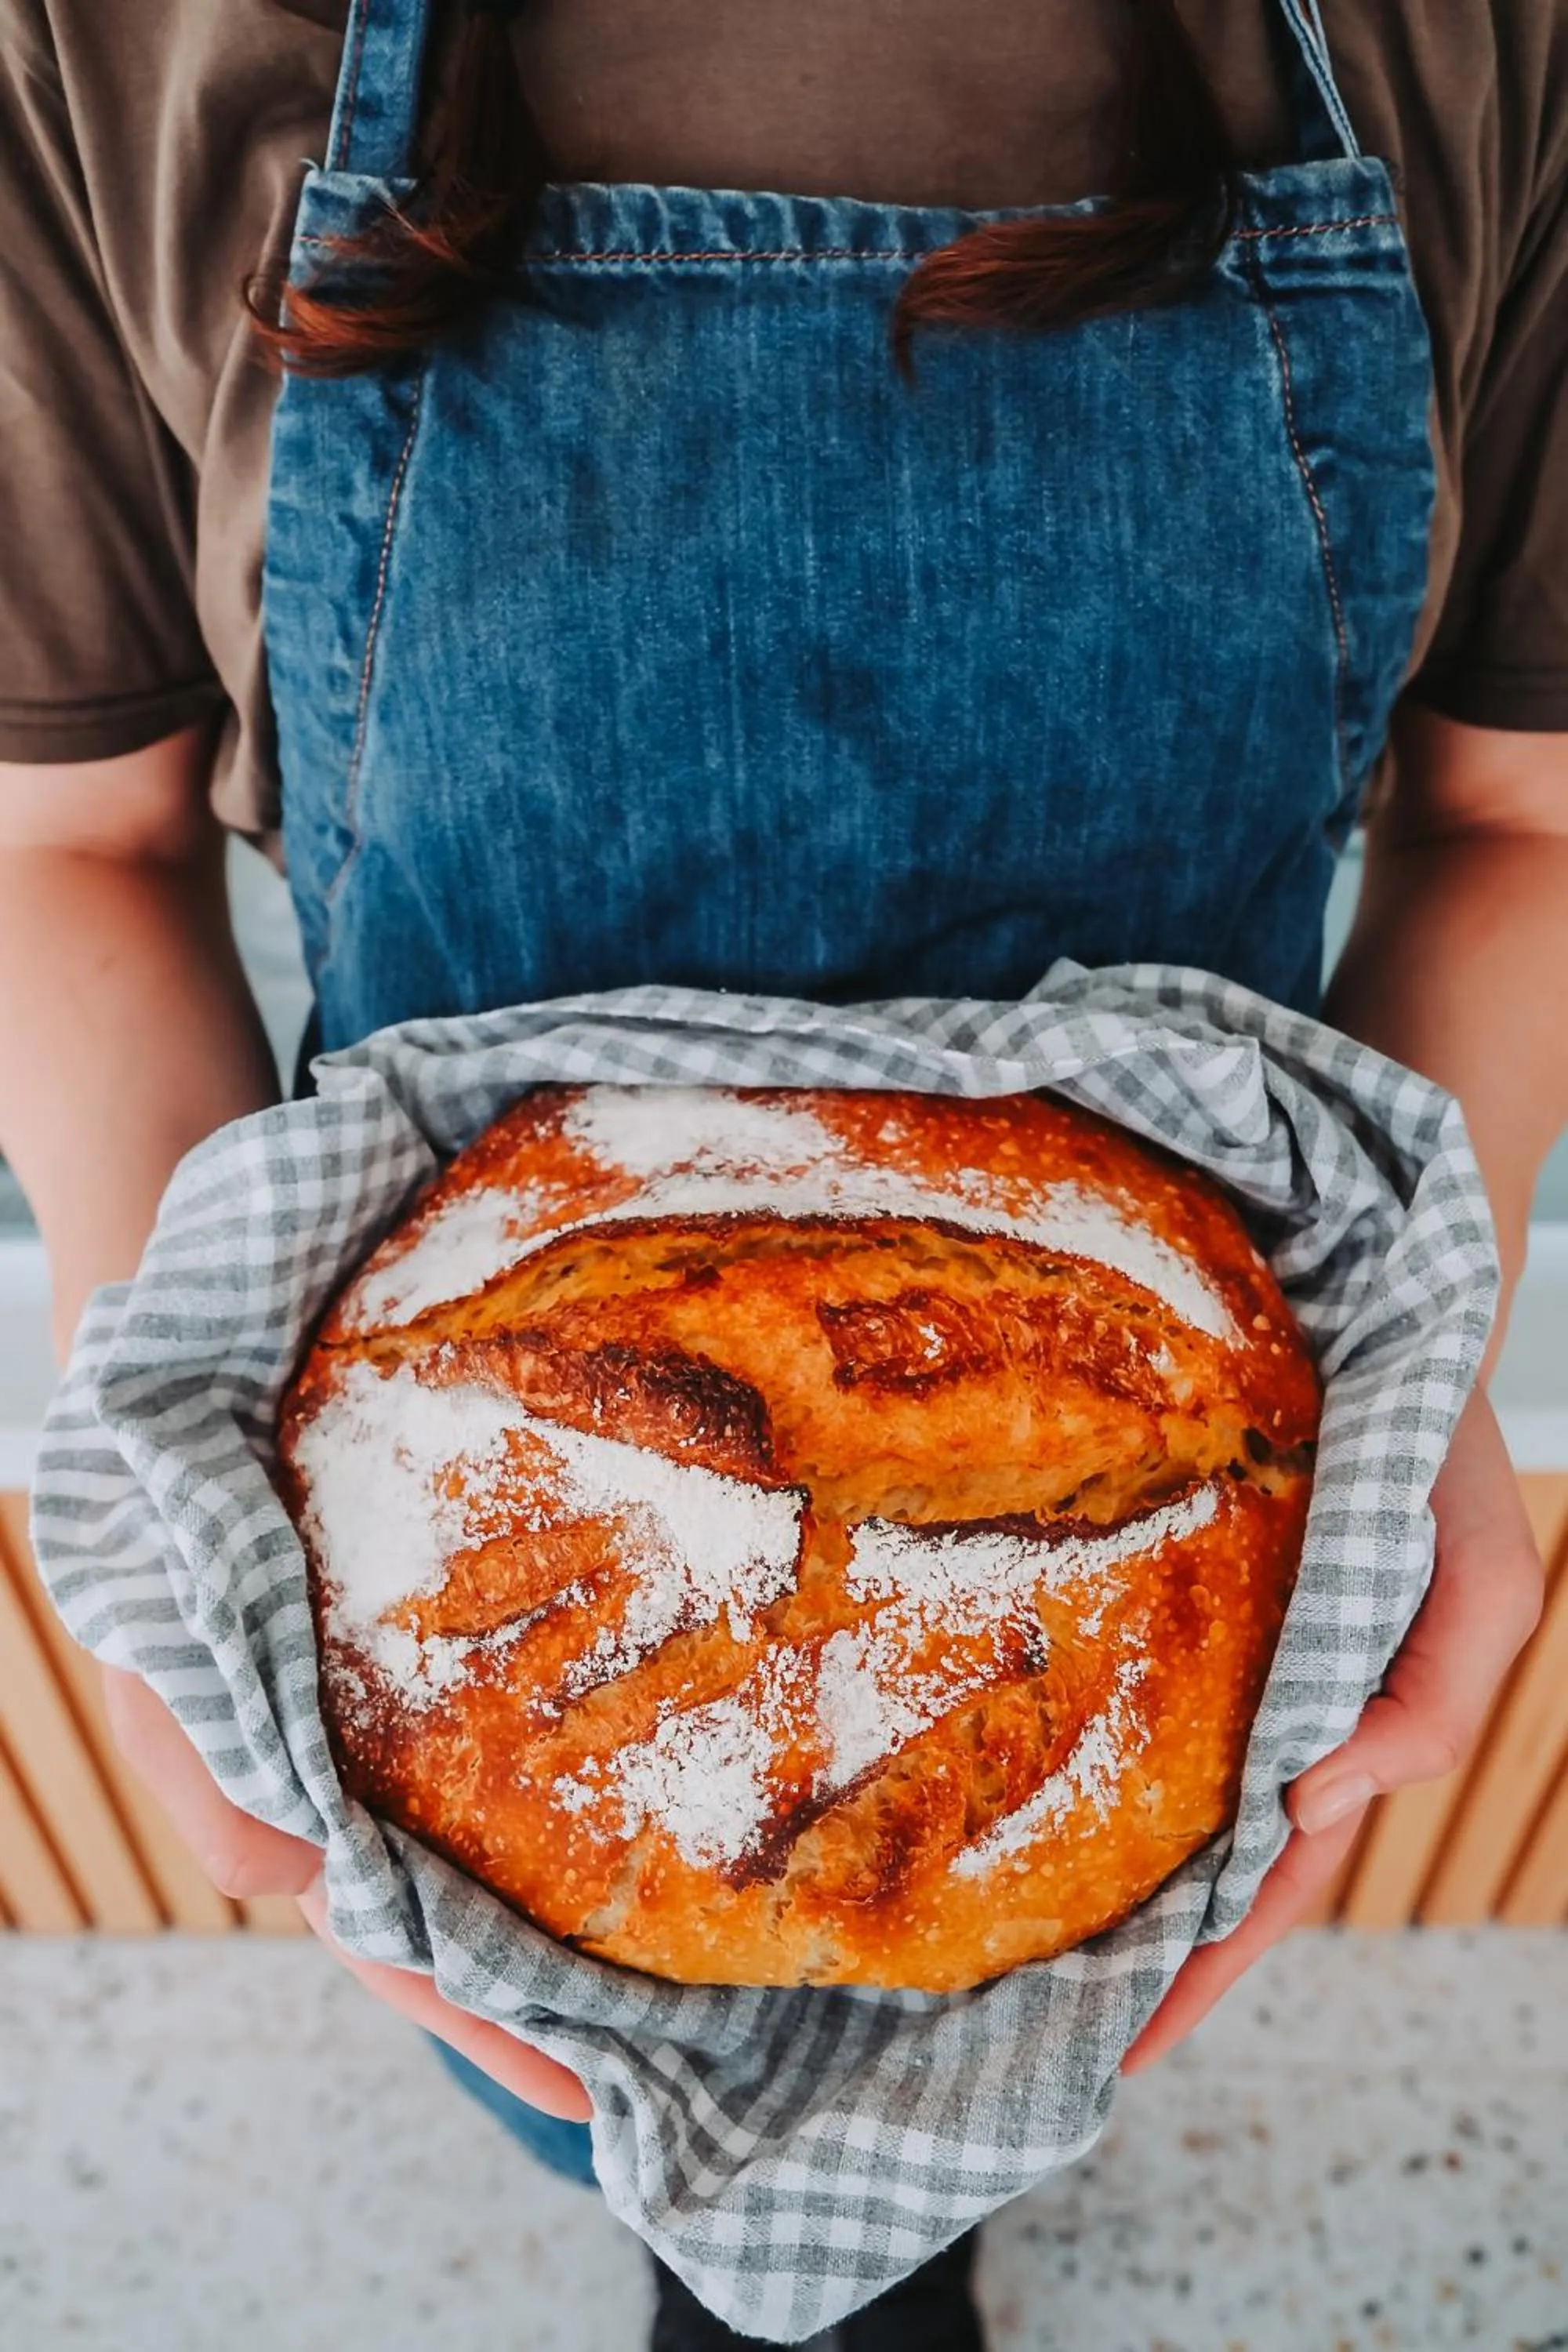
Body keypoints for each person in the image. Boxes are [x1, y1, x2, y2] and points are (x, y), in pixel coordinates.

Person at [2, 0, 1563, 2343]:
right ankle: (718, 2228)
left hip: (1146, 1591)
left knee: (968, 2070)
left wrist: (1422, 1370)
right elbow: (67, 843)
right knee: (587, 2079)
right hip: (468, 1580)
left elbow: (1514, 810)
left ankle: (864, 2244)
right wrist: (162, 1515)